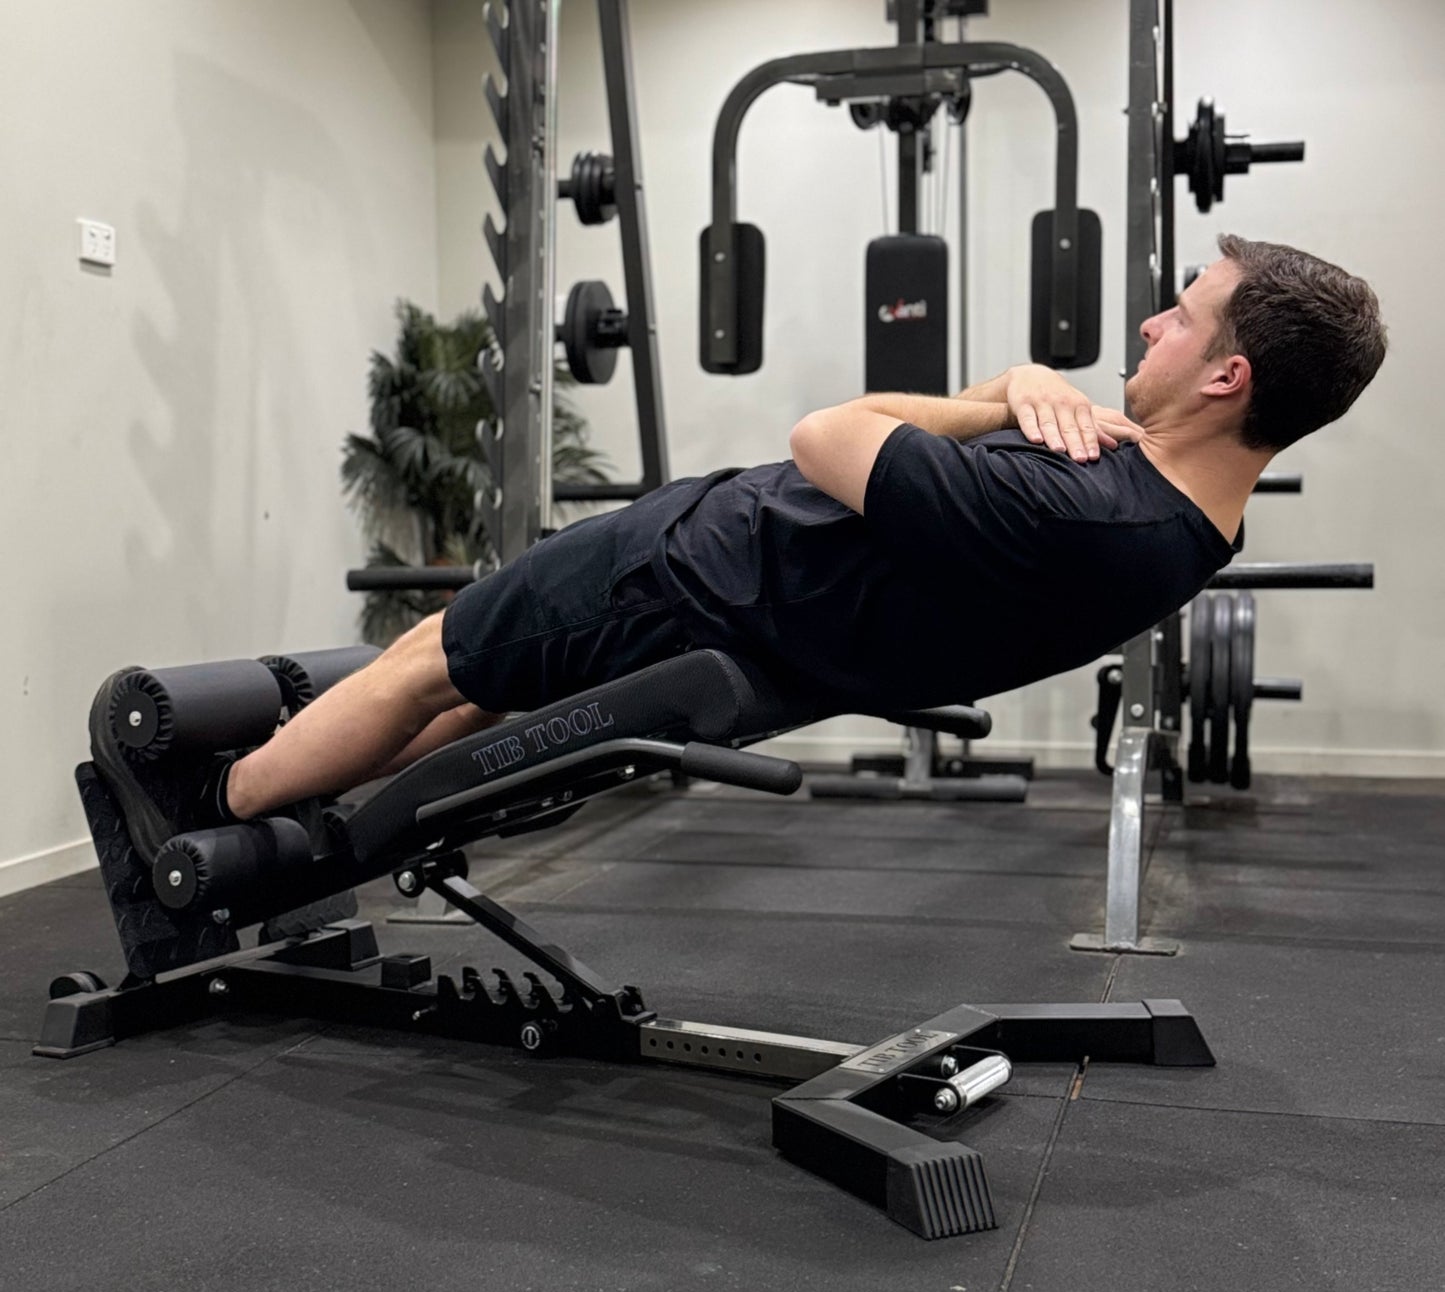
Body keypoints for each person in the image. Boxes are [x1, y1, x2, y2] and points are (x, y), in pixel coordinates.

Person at [92, 235, 1387, 862]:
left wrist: (1003, 391)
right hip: (738, 598)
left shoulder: (1083, 512)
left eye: (1182, 316)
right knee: (473, 684)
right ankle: (306, 810)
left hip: (692, 575)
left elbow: (829, 433)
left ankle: (214, 816)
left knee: (432, 656)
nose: (1151, 321)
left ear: (1225, 375)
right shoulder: (1178, 518)